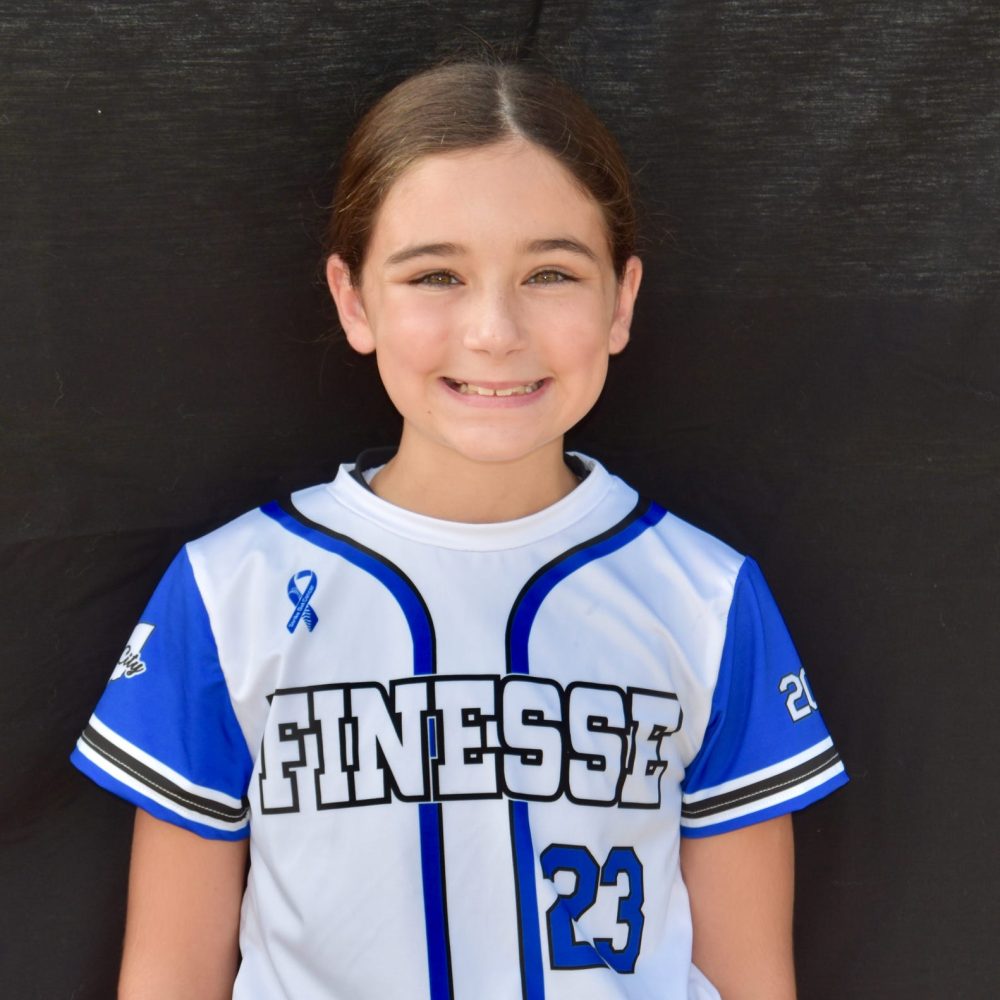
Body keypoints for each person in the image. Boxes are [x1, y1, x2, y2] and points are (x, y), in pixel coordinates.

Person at [72, 60, 847, 1000]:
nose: (493, 330)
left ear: (621, 300)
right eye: (436, 274)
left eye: (551, 273)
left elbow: (750, 977)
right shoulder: (228, 588)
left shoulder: (708, 596)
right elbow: (171, 970)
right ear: (353, 299)